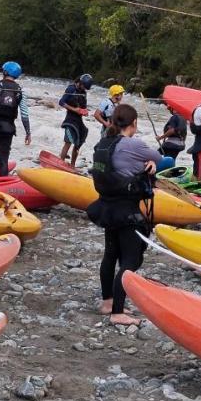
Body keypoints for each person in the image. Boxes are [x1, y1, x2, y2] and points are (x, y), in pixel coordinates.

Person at [86, 104, 162, 327]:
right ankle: (118, 313)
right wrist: (149, 164)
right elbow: (160, 157)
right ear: (134, 123)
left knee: (110, 255)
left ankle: (107, 302)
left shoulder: (103, 143)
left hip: (106, 207)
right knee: (131, 260)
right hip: (127, 210)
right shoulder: (133, 144)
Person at [59, 73, 94, 167]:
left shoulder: (84, 93)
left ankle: (72, 165)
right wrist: (74, 109)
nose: (84, 89)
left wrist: (85, 111)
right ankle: (60, 163)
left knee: (78, 143)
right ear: (80, 82)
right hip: (70, 119)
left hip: (78, 121)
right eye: (83, 86)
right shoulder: (71, 89)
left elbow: (83, 107)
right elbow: (61, 102)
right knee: (68, 142)